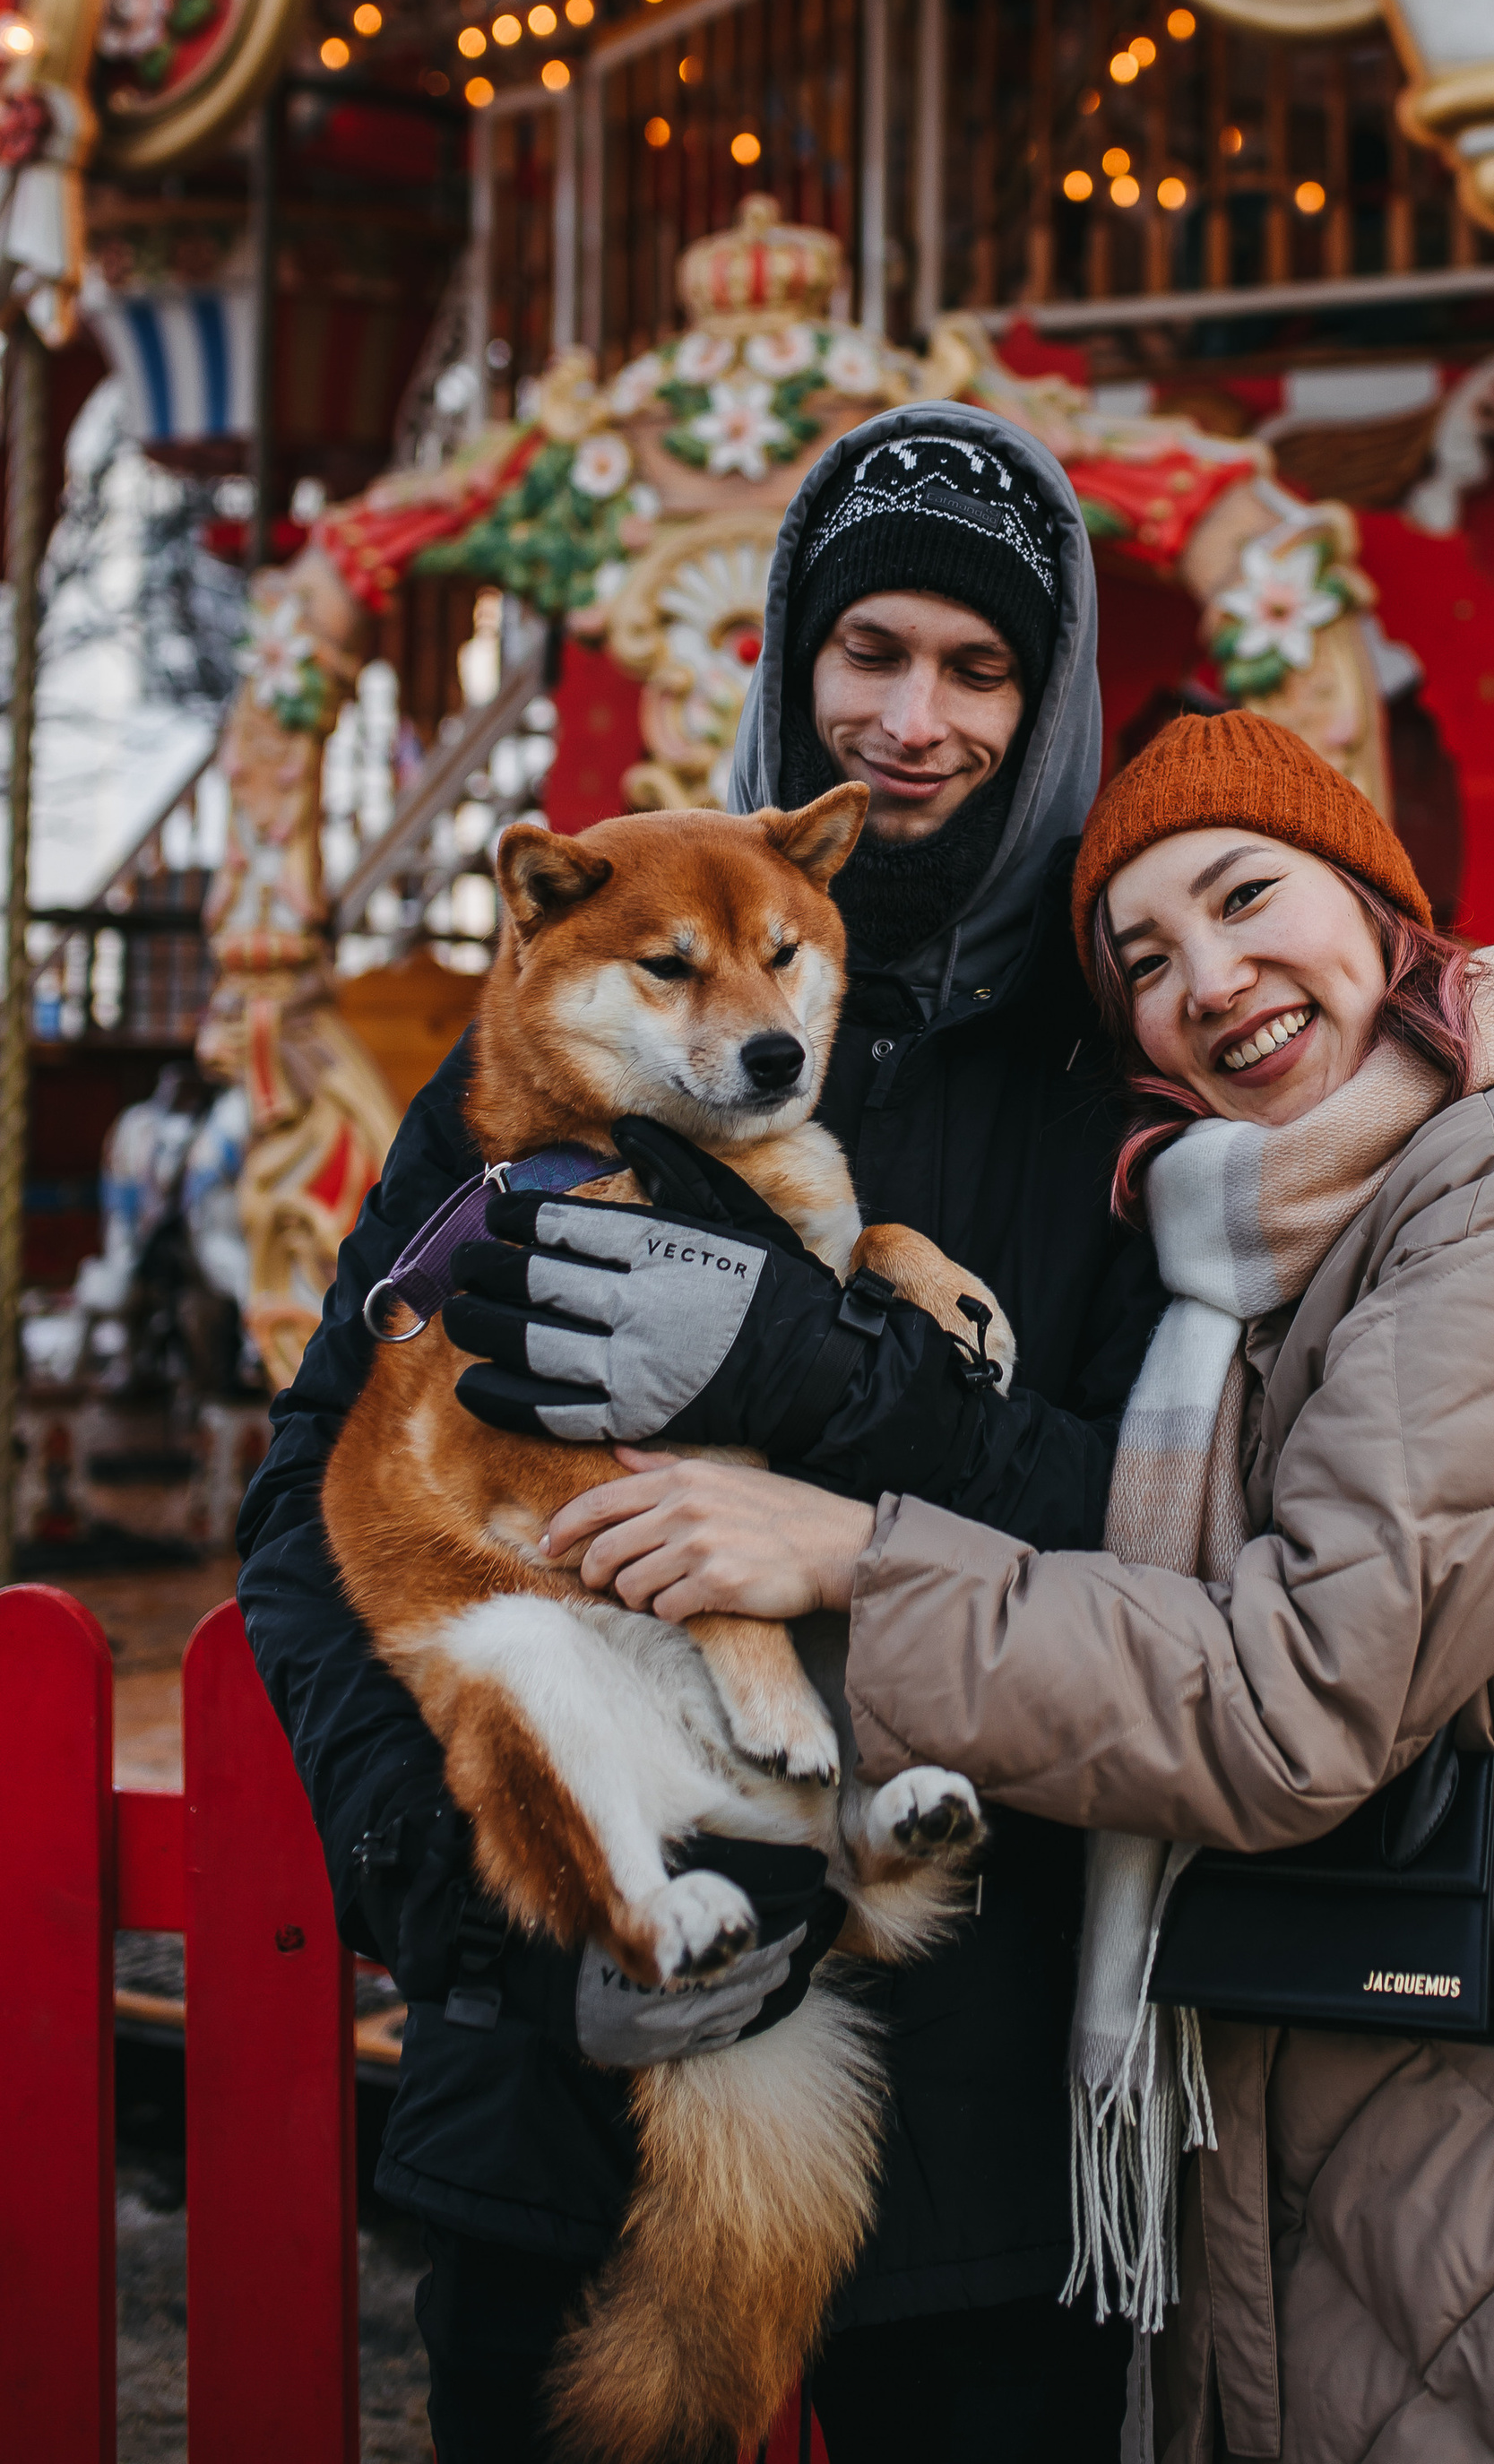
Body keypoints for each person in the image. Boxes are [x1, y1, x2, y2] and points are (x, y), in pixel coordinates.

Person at [548, 707, 1494, 2463]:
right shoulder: (1279, 1237)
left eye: (1249, 896)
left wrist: (857, 1561)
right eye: (1146, 964)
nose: (1211, 979)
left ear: (1379, 903)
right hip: (1391, 2031)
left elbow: (1288, 1690)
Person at [237, 403, 1163, 2464]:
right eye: (869, 650)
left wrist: (826, 1379)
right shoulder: (528, 1081)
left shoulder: (1112, 1092)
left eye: (978, 665)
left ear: (1046, 695)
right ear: (788, 659)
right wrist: (469, 1885)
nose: (912, 716)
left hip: (969, 2092)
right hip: (564, 2057)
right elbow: (313, 1499)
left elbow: (1155, 1536)